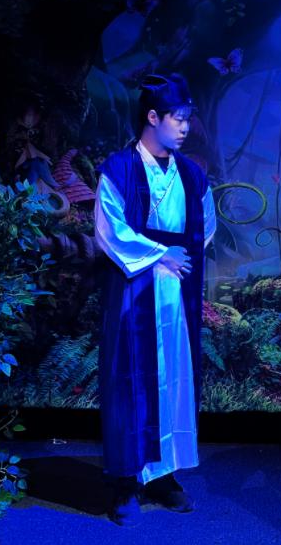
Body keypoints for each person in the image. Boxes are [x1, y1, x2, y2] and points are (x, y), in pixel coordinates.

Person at [94, 73, 216, 526]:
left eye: (187, 118)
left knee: (174, 378)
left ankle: (164, 476)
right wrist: (160, 254)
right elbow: (110, 230)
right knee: (131, 381)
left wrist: (178, 259)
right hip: (136, 291)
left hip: (176, 294)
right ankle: (126, 482)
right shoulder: (119, 169)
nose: (185, 128)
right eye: (177, 118)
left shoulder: (192, 174)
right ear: (152, 117)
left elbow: (206, 226)